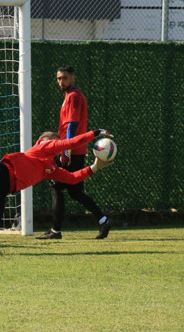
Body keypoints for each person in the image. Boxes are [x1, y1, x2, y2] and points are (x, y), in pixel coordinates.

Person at [36, 65, 112, 240]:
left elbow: (72, 125)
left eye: (64, 78)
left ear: (73, 78)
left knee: (56, 185)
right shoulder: (71, 96)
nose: (61, 81)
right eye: (58, 78)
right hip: (76, 150)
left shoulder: (73, 97)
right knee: (75, 192)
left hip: (71, 151)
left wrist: (66, 150)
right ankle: (103, 220)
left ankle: (55, 231)